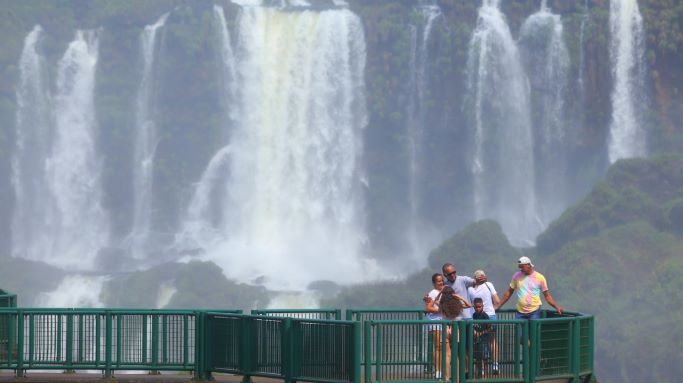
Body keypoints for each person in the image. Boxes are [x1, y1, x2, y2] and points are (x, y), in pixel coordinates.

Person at [495, 256, 563, 319]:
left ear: (528, 265)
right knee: (519, 332)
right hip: (520, 312)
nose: (520, 269)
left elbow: (547, 295)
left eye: (522, 267)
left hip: (534, 311)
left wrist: (556, 307)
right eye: (519, 267)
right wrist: (498, 306)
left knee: (533, 331)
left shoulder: (540, 277)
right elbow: (509, 292)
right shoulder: (516, 276)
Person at [426, 285, 471, 380]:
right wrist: (459, 297)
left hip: (445, 329)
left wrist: (439, 294)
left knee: (447, 355)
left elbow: (430, 305)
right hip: (455, 328)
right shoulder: (457, 305)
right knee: (456, 355)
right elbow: (469, 305)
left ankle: (446, 377)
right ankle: (458, 378)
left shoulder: (442, 305)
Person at [468, 270, 500, 373]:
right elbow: (497, 301)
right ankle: (495, 365)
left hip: (477, 318)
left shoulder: (470, 289)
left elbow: (469, 305)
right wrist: (492, 309)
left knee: (479, 343)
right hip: (490, 315)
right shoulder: (489, 285)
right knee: (492, 341)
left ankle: (482, 369)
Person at [423, 273, 445, 379]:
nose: (441, 282)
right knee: (438, 347)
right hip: (435, 322)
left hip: (441, 322)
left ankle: (441, 370)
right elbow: (428, 308)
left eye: (442, 280)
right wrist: (440, 310)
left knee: (441, 348)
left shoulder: (441, 292)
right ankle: (437, 371)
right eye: (438, 281)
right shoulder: (433, 293)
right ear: (434, 283)